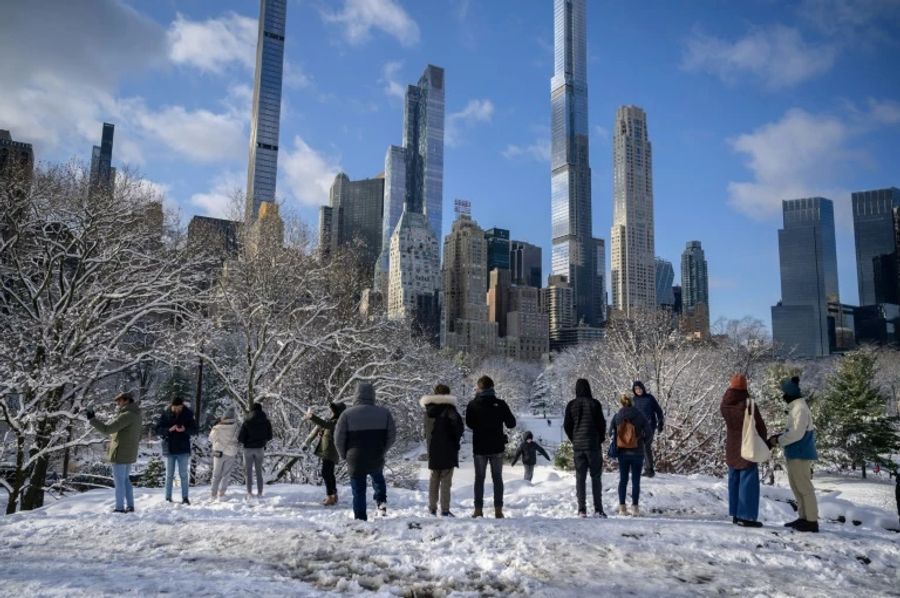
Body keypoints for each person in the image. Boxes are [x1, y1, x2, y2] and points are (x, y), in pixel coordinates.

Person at [335, 382, 396, 521]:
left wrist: (343, 455)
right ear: (373, 395)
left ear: (356, 395)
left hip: (354, 457)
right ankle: (381, 506)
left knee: (358, 490)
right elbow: (392, 436)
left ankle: (360, 518)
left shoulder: (347, 414)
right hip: (376, 454)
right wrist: (382, 450)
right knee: (379, 481)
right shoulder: (384, 413)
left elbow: (338, 438)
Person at [768, 377, 819, 533]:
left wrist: (777, 440)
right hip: (795, 452)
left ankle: (811, 521)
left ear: (789, 393)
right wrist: (780, 437)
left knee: (804, 487)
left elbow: (796, 434)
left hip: (800, 453)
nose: (783, 396)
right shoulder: (796, 408)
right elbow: (794, 431)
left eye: (784, 392)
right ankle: (804, 518)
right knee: (797, 487)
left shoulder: (799, 409)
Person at [465, 375, 516, 518]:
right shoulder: (500, 404)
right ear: (492, 388)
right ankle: (498, 510)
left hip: (480, 446)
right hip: (497, 446)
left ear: (479, 388)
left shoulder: (473, 404)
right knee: (497, 478)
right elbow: (512, 423)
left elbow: (469, 424)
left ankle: (478, 510)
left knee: (479, 479)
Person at [720, 374, 767, 527]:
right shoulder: (749, 404)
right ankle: (746, 517)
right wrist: (764, 442)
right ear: (745, 387)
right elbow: (760, 427)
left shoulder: (724, 404)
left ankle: (735, 514)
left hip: (732, 447)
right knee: (748, 484)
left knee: (734, 481)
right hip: (747, 447)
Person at [86, 392, 142, 513]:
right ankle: (130, 505)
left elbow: (107, 429)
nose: (117, 403)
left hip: (120, 453)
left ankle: (119, 507)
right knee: (126, 480)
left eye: (119, 401)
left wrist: (92, 418)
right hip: (129, 453)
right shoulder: (137, 414)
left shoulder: (126, 415)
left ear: (127, 401)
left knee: (119, 482)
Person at [563, 378, 607, 518]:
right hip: (593, 445)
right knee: (596, 477)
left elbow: (567, 425)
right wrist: (599, 439)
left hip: (578, 447)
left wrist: (574, 439)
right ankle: (598, 509)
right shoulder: (595, 403)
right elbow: (601, 424)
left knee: (580, 478)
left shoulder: (571, 405)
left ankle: (582, 509)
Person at [420, 384, 464, 517]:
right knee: (446, 480)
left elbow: (425, 432)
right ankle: (445, 509)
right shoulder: (450, 410)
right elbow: (459, 429)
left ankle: (432, 508)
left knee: (434, 478)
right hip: (448, 449)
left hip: (433, 449)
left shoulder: (428, 411)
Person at [609, 393, 650, 516]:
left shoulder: (617, 416)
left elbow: (610, 432)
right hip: (637, 452)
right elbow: (649, 432)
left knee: (623, 480)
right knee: (636, 480)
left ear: (622, 403)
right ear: (632, 402)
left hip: (622, 453)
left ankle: (622, 508)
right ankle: (635, 508)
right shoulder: (640, 415)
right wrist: (642, 442)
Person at [155, 397, 198, 505]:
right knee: (169, 474)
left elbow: (195, 430)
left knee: (183, 474)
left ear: (182, 406)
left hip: (183, 447)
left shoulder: (188, 414)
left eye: (180, 407)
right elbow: (157, 429)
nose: (178, 409)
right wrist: (168, 430)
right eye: (176, 407)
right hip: (170, 447)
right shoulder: (166, 414)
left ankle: (185, 497)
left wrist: (185, 430)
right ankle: (168, 497)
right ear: (172, 406)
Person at [304, 401, 347, 506]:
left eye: (333, 410)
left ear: (337, 412)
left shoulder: (338, 421)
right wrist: (322, 433)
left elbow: (326, 425)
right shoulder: (334, 420)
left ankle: (330, 496)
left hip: (330, 451)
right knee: (329, 473)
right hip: (328, 450)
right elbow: (326, 429)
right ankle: (333, 495)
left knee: (325, 473)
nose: (331, 412)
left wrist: (312, 417)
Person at [239, 402, 273, 499]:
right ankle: (260, 492)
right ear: (261, 409)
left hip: (248, 449)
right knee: (259, 472)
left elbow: (241, 437)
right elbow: (270, 436)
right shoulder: (266, 421)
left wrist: (247, 441)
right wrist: (263, 440)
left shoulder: (247, 421)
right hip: (260, 449)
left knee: (248, 472)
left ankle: (249, 492)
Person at [631, 381, 664, 478]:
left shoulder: (649, 398)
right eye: (636, 389)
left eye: (640, 388)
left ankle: (650, 470)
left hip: (649, 426)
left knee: (646, 446)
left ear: (643, 388)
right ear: (634, 390)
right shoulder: (634, 400)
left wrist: (660, 422)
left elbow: (658, 411)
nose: (638, 391)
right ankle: (643, 469)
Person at [209, 407, 240, 500]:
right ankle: (222, 493)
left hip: (219, 453)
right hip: (231, 453)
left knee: (216, 474)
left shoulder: (217, 427)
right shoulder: (236, 427)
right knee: (226, 474)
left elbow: (210, 438)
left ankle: (213, 494)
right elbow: (239, 438)